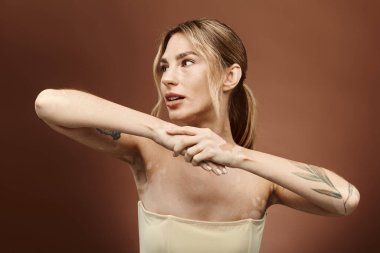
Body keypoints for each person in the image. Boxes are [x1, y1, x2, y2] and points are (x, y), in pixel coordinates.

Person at [34, 19, 360, 253]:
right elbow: (48, 103)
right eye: (164, 67)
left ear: (230, 76)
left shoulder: (261, 178)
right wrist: (158, 129)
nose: (168, 79)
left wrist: (238, 156)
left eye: (186, 62)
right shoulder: (146, 153)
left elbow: (345, 198)